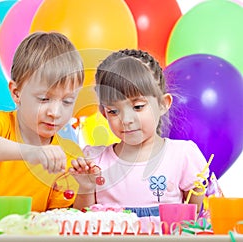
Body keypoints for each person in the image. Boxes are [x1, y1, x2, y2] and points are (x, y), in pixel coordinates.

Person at [70, 49, 209, 231]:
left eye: (137, 106)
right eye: (113, 111)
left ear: (162, 104)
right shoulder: (95, 161)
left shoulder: (182, 156)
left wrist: (198, 191)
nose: (126, 119)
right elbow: (81, 226)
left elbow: (197, 223)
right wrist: (86, 187)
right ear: (104, 113)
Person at [0, 32, 84, 224]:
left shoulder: (69, 155)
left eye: (67, 101)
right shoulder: (0, 123)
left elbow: (60, 220)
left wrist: (86, 187)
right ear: (16, 93)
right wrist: (32, 152)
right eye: (44, 99)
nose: (55, 112)